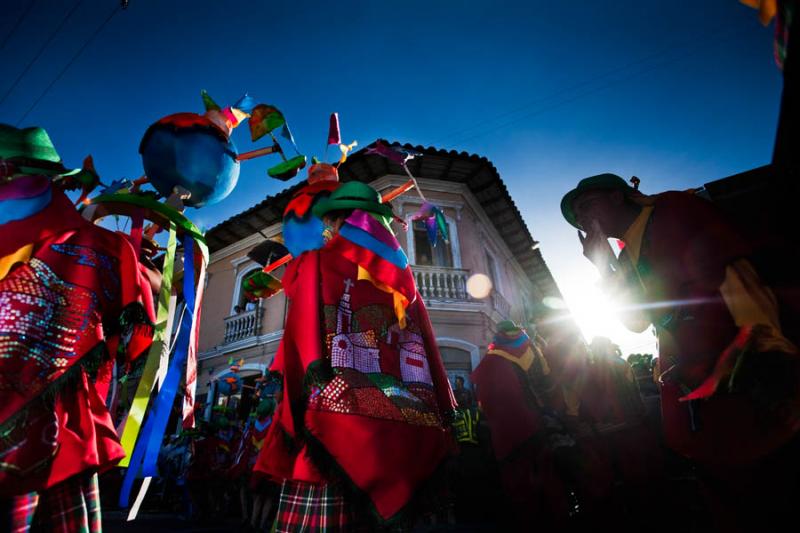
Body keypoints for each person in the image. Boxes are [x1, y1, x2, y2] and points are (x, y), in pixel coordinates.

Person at [561, 172, 800, 529]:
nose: (583, 217)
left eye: (586, 204)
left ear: (618, 196)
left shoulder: (673, 211)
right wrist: (603, 266)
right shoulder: (626, 258)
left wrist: (764, 344)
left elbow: (734, 273)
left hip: (740, 367)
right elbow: (637, 323)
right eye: (577, 216)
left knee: (766, 484)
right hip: (696, 383)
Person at [254, 181, 455, 530]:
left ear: (338, 221)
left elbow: (300, 335)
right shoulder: (407, 283)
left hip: (332, 429)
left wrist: (294, 382)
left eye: (331, 222)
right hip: (404, 430)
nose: (329, 230)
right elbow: (430, 355)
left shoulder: (315, 262)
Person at [0, 124, 156, 531]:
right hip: (63, 427)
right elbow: (132, 341)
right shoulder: (108, 249)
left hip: (57, 426)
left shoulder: (106, 247)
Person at [471, 320, 569, 530]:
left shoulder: (490, 360)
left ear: (499, 335)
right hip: (539, 425)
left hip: (508, 436)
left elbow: (483, 401)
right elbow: (549, 384)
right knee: (550, 480)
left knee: (521, 490)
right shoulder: (533, 350)